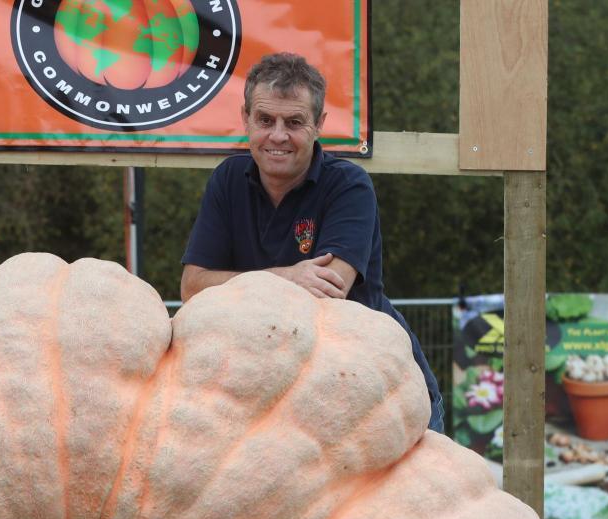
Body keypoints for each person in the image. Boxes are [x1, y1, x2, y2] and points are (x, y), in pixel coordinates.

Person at [181, 53, 445, 432]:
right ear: (245, 119)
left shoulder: (349, 186)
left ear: (319, 124)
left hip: (377, 386)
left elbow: (328, 290)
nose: (278, 136)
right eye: (265, 120)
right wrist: (287, 276)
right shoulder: (227, 179)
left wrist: (232, 284)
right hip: (276, 390)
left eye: (294, 122)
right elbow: (192, 286)